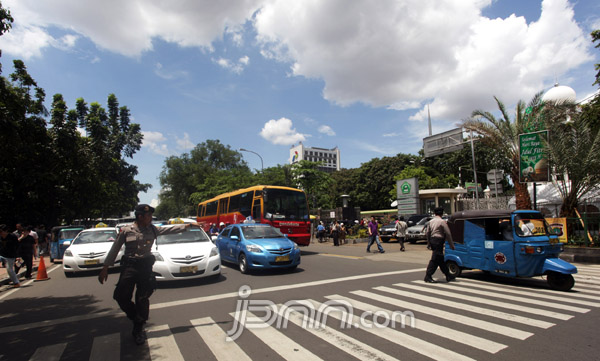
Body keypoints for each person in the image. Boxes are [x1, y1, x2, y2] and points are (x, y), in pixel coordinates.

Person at [98, 204, 199, 345]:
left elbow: (169, 229)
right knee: (120, 296)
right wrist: (105, 268)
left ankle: (138, 329)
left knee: (143, 298)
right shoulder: (126, 230)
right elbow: (115, 249)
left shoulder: (152, 229)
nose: (151, 218)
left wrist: (189, 226)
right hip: (130, 267)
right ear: (140, 217)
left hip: (145, 267)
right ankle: (136, 317)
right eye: (148, 216)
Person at [424, 207, 455, 283]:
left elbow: (427, 233)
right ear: (442, 213)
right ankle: (428, 276)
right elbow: (448, 233)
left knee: (440, 259)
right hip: (439, 241)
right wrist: (451, 244)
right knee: (435, 259)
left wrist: (429, 242)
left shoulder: (431, 221)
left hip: (433, 240)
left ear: (435, 213)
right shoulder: (442, 222)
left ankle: (448, 275)